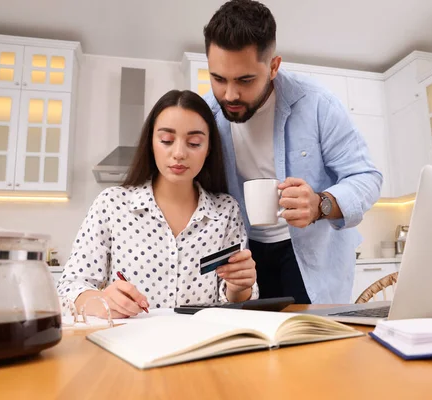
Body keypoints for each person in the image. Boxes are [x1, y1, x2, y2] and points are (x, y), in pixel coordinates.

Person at [202, 0, 383, 304]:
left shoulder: (317, 104)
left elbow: (367, 177)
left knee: (313, 345)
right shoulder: (207, 113)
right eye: (219, 79)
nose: (230, 95)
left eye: (245, 80)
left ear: (273, 66)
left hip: (309, 254)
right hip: (244, 254)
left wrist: (320, 204)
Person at [57, 90, 258, 318]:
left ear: (209, 148)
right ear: (151, 143)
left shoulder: (226, 210)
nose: (179, 153)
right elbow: (68, 290)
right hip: (130, 346)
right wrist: (103, 301)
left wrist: (239, 286)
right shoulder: (112, 204)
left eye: (194, 143)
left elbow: (234, 302)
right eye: (166, 141)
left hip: (202, 347)